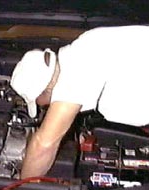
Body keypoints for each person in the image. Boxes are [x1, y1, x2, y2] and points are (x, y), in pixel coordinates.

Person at [10, 25, 149, 178]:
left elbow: (44, 145)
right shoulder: (84, 43)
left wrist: (22, 187)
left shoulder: (71, 80)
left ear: (45, 89)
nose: (43, 106)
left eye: (38, 102)